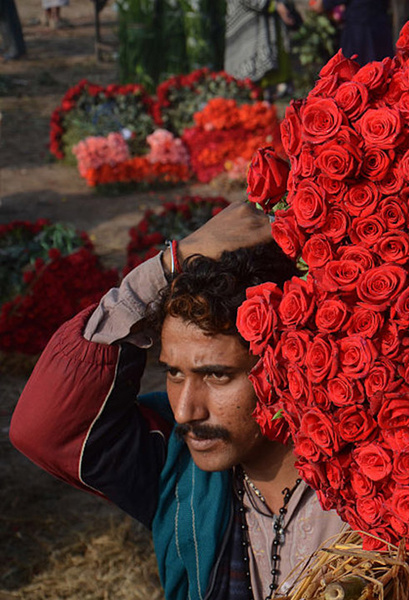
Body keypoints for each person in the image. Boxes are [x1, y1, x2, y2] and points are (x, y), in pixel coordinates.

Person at [11, 202, 347, 600]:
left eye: (217, 375)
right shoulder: (181, 473)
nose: (186, 410)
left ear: (287, 363)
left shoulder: (376, 488)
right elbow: (43, 430)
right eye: (173, 372)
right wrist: (172, 263)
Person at [225, 0, 300, 87]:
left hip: (272, 26)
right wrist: (276, 6)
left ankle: (273, 93)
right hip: (251, 25)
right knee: (252, 78)